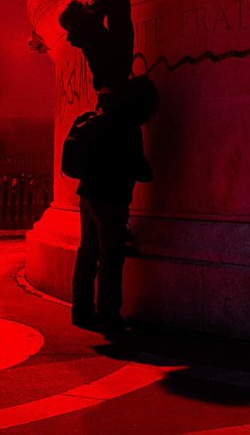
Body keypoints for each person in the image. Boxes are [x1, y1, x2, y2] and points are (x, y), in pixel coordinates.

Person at [64, 76, 158, 334]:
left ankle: (81, 312)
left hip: (88, 194)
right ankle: (109, 315)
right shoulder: (128, 128)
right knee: (111, 258)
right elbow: (141, 170)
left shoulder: (93, 119)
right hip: (113, 199)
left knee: (88, 253)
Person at [58, 0, 146, 90]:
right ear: (81, 14)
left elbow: (99, 2)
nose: (88, 4)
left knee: (118, 11)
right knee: (118, 13)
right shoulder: (88, 28)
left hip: (115, 76)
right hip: (116, 73)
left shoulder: (84, 31)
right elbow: (101, 2)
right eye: (84, 6)